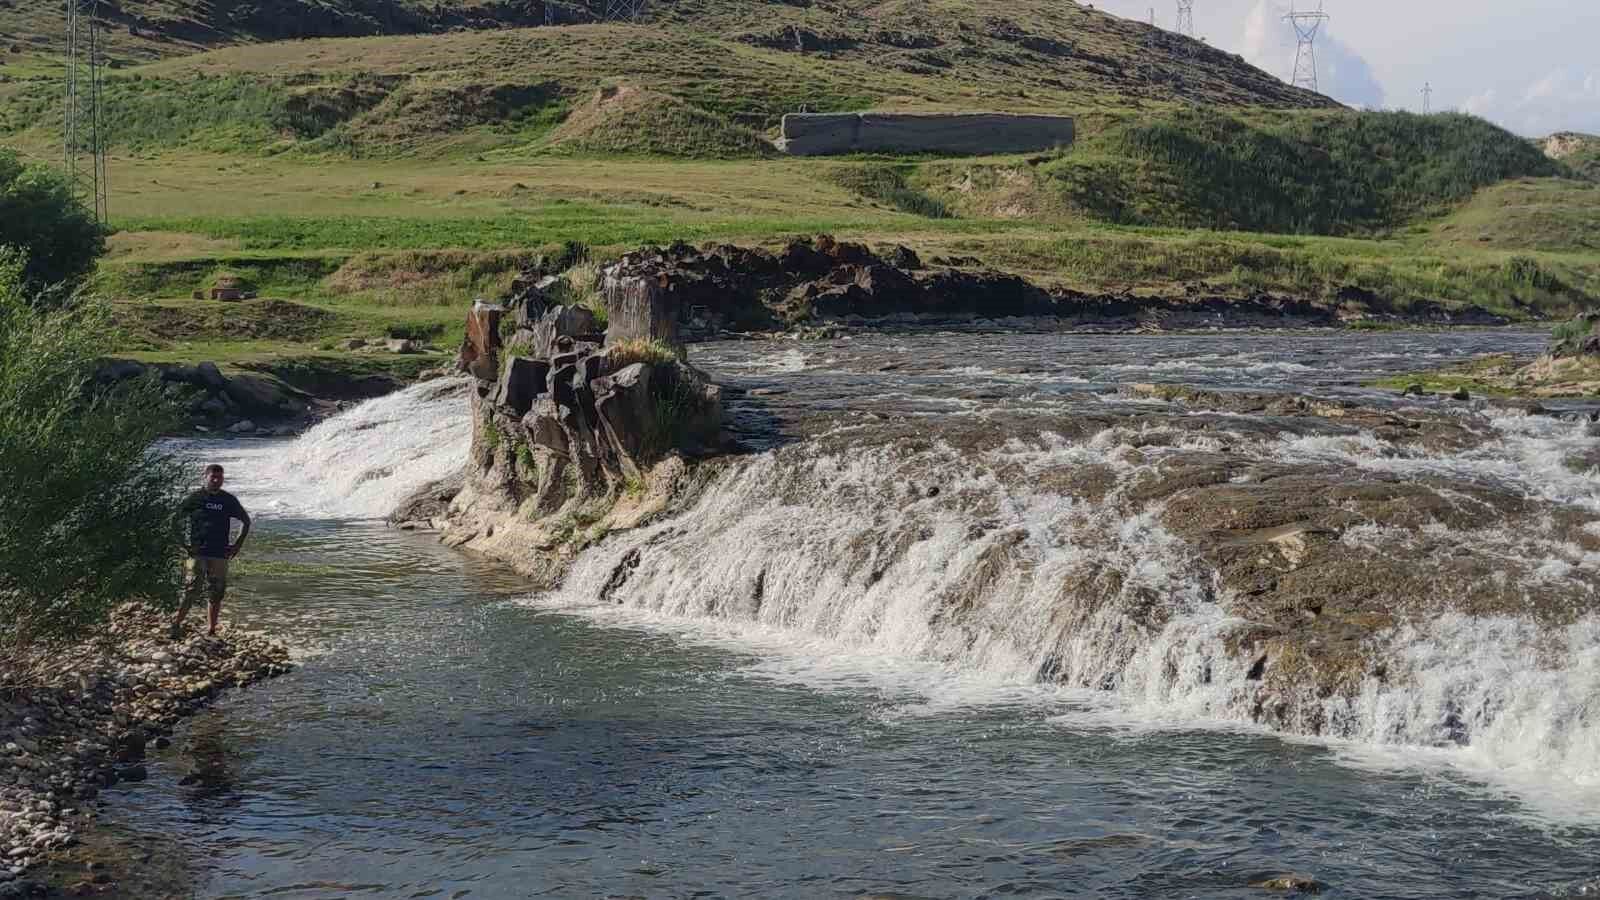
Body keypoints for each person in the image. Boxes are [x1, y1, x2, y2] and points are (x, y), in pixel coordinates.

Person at [173, 464, 251, 639]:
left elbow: (246, 521)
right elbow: (175, 520)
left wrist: (237, 544)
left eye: (220, 478)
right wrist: (183, 544)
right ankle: (176, 624)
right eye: (213, 477)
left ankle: (211, 629)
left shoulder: (228, 500)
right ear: (205, 477)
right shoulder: (195, 498)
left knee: (217, 591)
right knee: (191, 588)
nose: (216, 480)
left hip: (220, 553)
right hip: (195, 553)